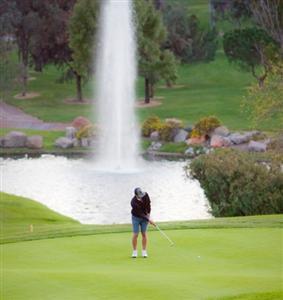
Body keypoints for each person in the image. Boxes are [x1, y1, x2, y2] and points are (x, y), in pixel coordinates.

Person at [131, 187, 155, 258]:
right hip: (136, 217)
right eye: (140, 195)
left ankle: (144, 251)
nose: (142, 197)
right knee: (136, 234)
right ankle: (134, 251)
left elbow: (148, 205)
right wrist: (149, 220)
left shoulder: (146, 195)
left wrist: (149, 215)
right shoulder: (133, 202)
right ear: (136, 195)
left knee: (144, 233)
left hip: (145, 217)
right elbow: (140, 213)